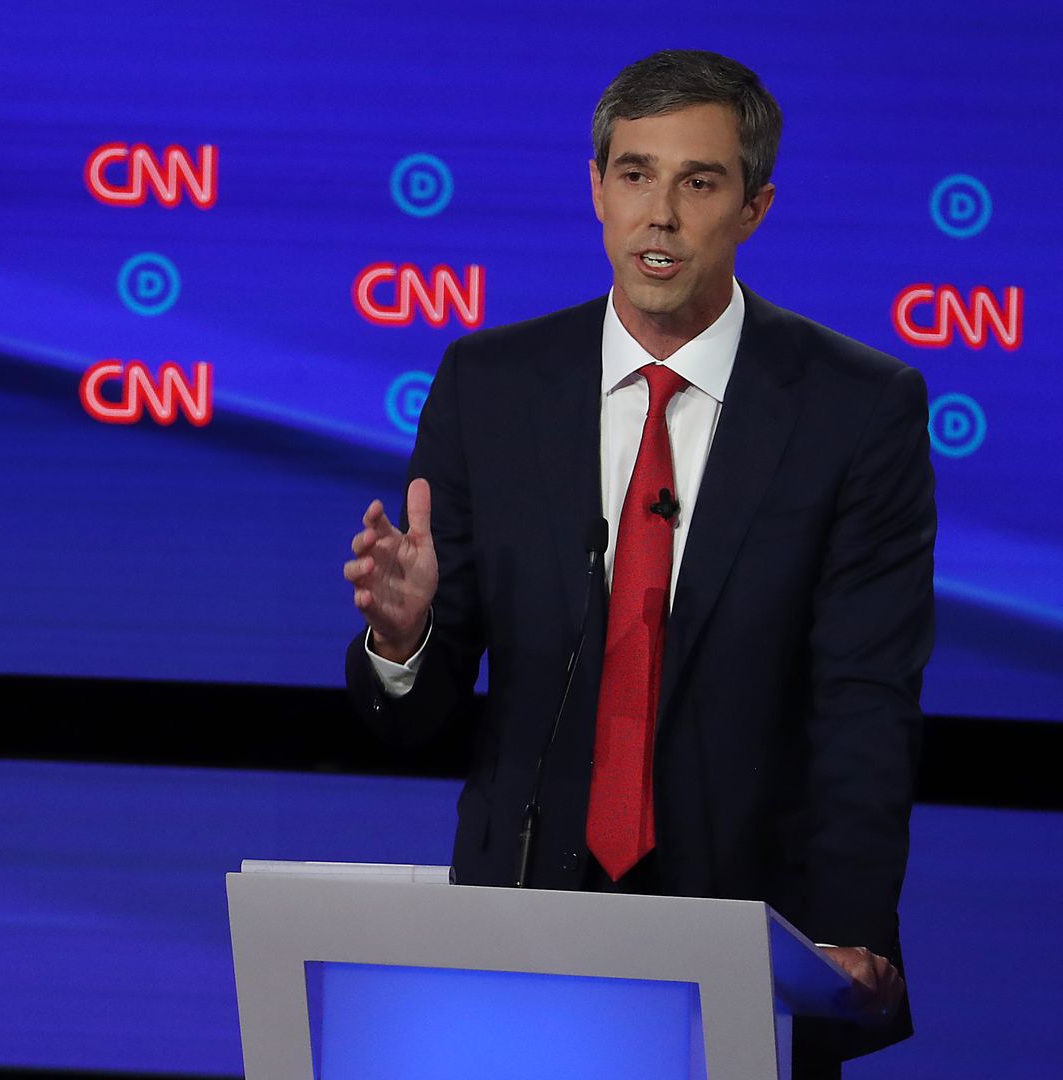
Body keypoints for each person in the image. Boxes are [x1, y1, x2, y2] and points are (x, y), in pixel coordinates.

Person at [342, 50, 932, 1076]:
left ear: (754, 207)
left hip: (748, 938)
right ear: (596, 188)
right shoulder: (491, 387)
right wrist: (403, 637)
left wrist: (852, 930)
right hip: (520, 928)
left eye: (698, 182)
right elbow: (424, 714)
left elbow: (863, 698)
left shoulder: (855, 411)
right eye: (634, 174)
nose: (659, 214)